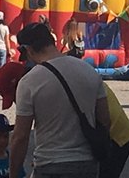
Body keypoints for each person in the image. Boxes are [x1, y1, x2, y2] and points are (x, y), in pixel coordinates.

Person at [10, 23, 109, 178]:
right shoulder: (89, 71)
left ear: (28, 50)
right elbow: (105, 120)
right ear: (52, 41)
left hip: (49, 164)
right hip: (87, 164)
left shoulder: (29, 82)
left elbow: (21, 136)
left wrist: (13, 173)